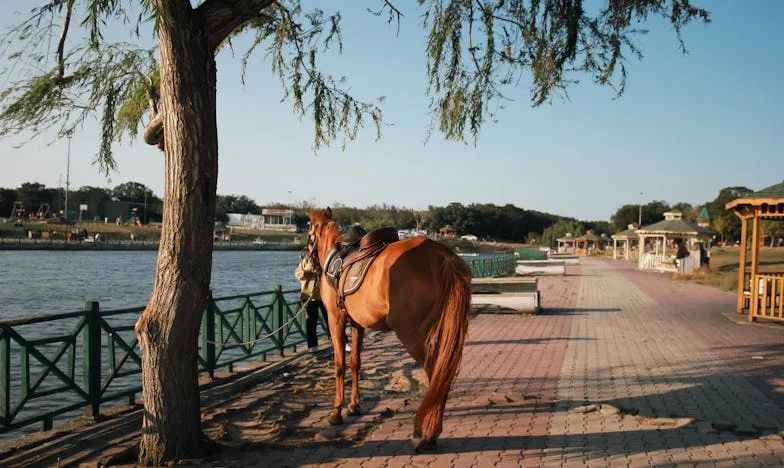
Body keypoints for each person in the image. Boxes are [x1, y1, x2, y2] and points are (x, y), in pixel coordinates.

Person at [295, 258, 330, 352]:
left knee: (331, 319)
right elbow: (298, 275)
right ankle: (312, 346)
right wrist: (306, 270)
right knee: (310, 321)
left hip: (324, 295)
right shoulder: (305, 261)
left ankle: (340, 342)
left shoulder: (324, 259)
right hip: (309, 295)